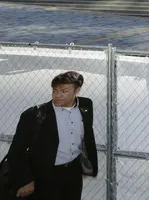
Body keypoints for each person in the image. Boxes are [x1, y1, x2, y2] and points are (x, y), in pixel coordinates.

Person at [8, 71, 99, 199]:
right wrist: (25, 181)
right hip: (45, 175)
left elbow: (88, 135)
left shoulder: (86, 105)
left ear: (77, 90)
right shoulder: (34, 115)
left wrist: (86, 164)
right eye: (55, 90)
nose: (57, 95)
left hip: (74, 173)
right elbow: (16, 152)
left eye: (63, 91)